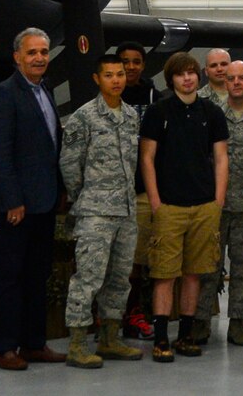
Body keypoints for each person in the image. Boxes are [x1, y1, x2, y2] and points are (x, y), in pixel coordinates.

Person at [139, 51, 230, 363]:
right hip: (169, 207)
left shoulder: (212, 112)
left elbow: (220, 158)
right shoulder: (158, 112)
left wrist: (218, 200)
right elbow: (147, 158)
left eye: (192, 72)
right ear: (172, 79)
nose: (188, 78)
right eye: (181, 74)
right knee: (165, 275)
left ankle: (187, 334)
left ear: (198, 76)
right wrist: (155, 201)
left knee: (194, 274)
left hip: (205, 205)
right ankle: (162, 337)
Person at [60, 55, 147, 367]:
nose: (116, 80)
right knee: (88, 278)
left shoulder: (130, 116)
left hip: (126, 212)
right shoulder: (83, 117)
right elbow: (70, 165)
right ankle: (78, 343)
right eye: (109, 75)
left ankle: (110, 338)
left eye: (120, 74)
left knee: (119, 279)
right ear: (97, 79)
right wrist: (83, 197)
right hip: (95, 211)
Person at [0, 34, 66, 370]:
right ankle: (5, 348)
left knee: (38, 275)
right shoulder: (5, 94)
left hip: (45, 202)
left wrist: (60, 190)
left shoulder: (44, 90)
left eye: (44, 52)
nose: (39, 57)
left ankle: (33, 344)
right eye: (31, 52)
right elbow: (0, 154)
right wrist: (12, 200)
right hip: (17, 207)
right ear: (16, 56)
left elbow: (50, 148)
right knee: (11, 277)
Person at [194, 60, 243, 345]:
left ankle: (238, 321)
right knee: (208, 267)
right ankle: (201, 321)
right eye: (231, 78)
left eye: (242, 78)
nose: (236, 82)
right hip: (215, 204)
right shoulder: (211, 117)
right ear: (224, 83)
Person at [115, 41, 159, 339]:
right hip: (111, 190)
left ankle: (134, 314)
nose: (130, 67)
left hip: (143, 189)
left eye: (136, 61)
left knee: (138, 260)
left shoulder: (154, 97)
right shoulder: (108, 95)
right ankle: (106, 318)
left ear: (143, 65)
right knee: (110, 259)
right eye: (125, 62)